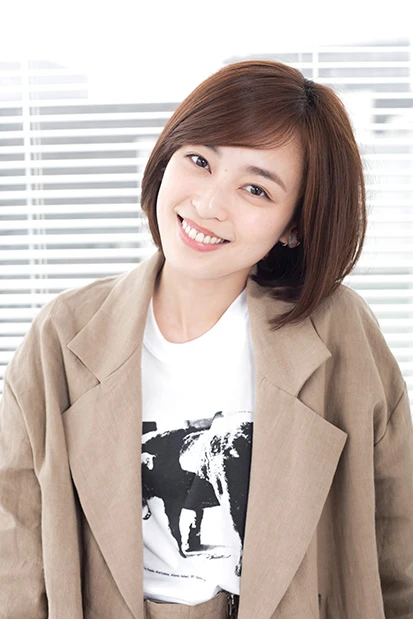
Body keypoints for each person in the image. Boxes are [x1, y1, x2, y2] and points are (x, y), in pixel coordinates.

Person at [0, 60, 412, 619]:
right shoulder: (62, 335)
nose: (210, 204)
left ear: (294, 225)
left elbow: (397, 541)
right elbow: (15, 557)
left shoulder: (340, 332)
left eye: (255, 189)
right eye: (200, 160)